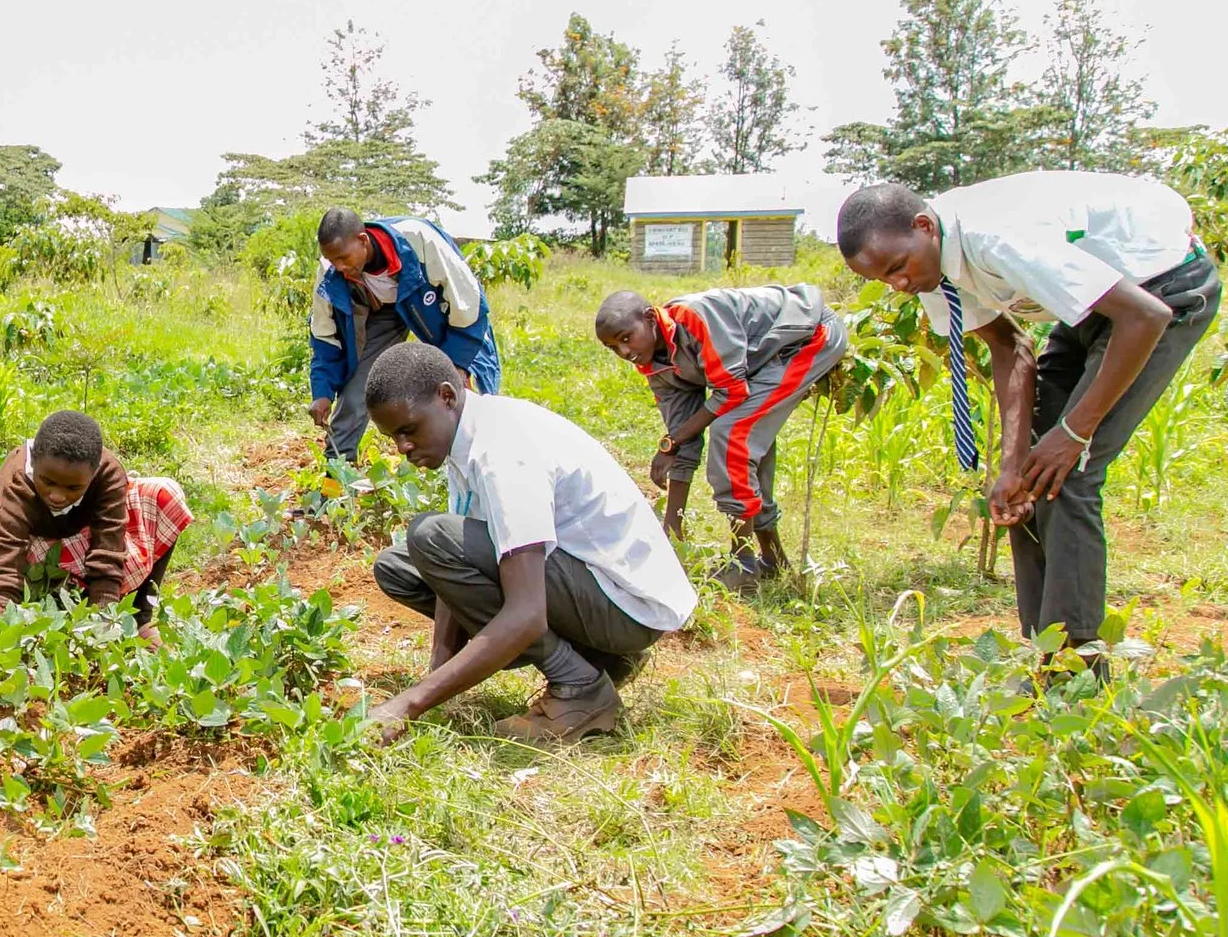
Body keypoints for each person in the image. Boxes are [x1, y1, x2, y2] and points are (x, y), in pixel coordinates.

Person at [837, 172, 1221, 662]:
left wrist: (1074, 432)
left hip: (1163, 291)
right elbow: (1010, 345)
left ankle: (1077, 664)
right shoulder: (927, 265)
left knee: (1070, 472)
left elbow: (1145, 316)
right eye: (883, 280)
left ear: (923, 226)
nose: (900, 284)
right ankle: (1044, 646)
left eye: (898, 267)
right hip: (1101, 306)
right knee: (1031, 481)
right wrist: (1010, 466)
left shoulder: (997, 238)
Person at [363, 341, 697, 742]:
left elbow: (527, 613)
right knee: (399, 566)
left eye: (408, 430)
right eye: (393, 438)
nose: (403, 448)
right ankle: (595, 662)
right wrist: (438, 672)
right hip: (591, 587)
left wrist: (408, 704)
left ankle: (581, 687)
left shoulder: (503, 449)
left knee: (431, 536)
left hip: (627, 607)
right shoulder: (465, 438)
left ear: (447, 397)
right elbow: (450, 568)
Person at [592, 283, 847, 593]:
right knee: (748, 445)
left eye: (626, 338)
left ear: (649, 318)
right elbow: (682, 432)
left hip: (807, 337)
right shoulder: (652, 364)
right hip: (763, 359)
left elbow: (731, 392)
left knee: (732, 434)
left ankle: (743, 562)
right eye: (612, 347)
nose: (624, 352)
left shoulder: (696, 318)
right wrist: (673, 530)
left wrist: (673, 441)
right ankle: (773, 560)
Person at [309, 207, 502, 462]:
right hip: (380, 312)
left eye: (344, 259)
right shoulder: (331, 269)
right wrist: (322, 392)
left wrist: (457, 364)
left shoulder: (419, 240)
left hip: (433, 308)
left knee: (464, 393)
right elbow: (324, 337)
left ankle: (477, 464)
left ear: (363, 240)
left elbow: (469, 308)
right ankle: (335, 479)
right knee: (356, 392)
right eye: (334, 261)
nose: (340, 268)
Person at [0, 411, 191, 636]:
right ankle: (60, 601)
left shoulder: (108, 472)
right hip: (38, 554)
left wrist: (102, 625)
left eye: (72, 488)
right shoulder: (15, 484)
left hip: (87, 544)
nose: (57, 496)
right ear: (34, 459)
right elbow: (6, 566)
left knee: (165, 494)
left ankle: (141, 617)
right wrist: (3, 623)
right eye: (47, 482)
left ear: (93, 474)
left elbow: (108, 550)